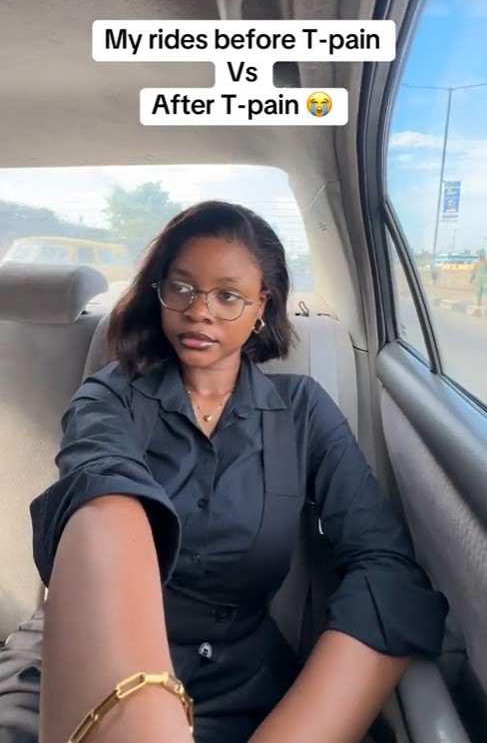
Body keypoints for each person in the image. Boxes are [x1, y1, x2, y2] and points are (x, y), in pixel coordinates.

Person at [10, 201, 447, 743]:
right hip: (79, 661)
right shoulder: (109, 396)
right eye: (182, 288)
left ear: (263, 305)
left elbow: (385, 564)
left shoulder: (302, 411)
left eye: (227, 295)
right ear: (159, 292)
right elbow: (102, 497)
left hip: (243, 689)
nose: (199, 311)